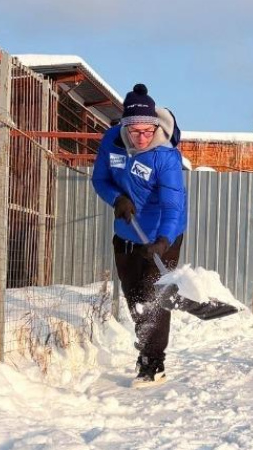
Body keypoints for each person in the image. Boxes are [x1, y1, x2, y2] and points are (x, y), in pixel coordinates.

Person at [91, 83, 187, 388]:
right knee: (134, 299)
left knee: (153, 297)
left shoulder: (165, 156)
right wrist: (117, 198)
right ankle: (147, 345)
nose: (143, 137)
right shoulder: (112, 142)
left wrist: (163, 241)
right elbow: (100, 179)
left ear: (156, 126)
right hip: (126, 231)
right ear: (125, 127)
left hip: (162, 234)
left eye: (148, 131)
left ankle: (152, 363)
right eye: (135, 131)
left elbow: (173, 205)